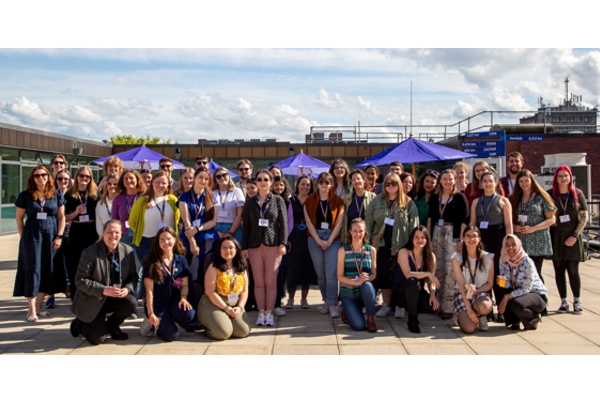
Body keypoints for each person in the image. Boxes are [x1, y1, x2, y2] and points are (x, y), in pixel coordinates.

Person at [69, 220, 140, 345]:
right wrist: (102, 290)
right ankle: (78, 324)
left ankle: (112, 326)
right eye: (110, 232)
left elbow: (133, 277)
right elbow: (80, 280)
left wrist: (127, 289)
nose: (113, 235)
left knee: (131, 303)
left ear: (121, 233)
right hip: (93, 299)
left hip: (115, 297)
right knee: (97, 339)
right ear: (103, 233)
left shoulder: (128, 251)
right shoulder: (89, 253)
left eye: (116, 232)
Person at [14, 166, 66, 322]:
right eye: (37, 175)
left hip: (51, 235)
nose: (40, 177)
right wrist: (24, 237)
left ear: (48, 176)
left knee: (47, 269)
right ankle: (31, 310)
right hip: (32, 236)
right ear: (32, 178)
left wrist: (59, 236)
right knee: (32, 269)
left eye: (43, 174)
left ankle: (39, 307)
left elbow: (62, 217)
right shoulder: (26, 196)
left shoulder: (56, 194)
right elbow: (19, 218)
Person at [366, 172, 419, 318]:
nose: (390, 186)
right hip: (382, 244)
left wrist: (412, 247)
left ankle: (400, 305)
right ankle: (386, 305)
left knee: (400, 275)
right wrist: (369, 242)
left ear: (399, 185)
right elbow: (368, 222)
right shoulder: (376, 201)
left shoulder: (408, 203)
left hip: (401, 245)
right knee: (384, 275)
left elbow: (414, 226)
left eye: (394, 184)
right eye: (387, 184)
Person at [242, 169, 288, 326]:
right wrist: (244, 247)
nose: (262, 182)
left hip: (273, 244)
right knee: (258, 281)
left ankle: (270, 313)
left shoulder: (277, 200)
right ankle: (261, 313)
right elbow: (246, 226)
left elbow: (283, 224)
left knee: (271, 281)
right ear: (256, 182)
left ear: (270, 182)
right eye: (259, 179)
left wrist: (283, 243)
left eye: (266, 179)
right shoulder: (249, 202)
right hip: (254, 246)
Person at [140, 227, 199, 341]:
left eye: (168, 239)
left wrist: (183, 298)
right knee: (172, 336)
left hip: (173, 301)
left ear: (175, 240)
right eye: (162, 240)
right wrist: (151, 312)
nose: (166, 242)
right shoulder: (152, 263)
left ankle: (168, 319)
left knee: (189, 314)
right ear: (157, 242)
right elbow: (149, 291)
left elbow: (184, 284)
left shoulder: (181, 260)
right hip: (158, 304)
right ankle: (150, 322)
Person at [469, 171, 513, 322]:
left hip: (498, 238)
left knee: (499, 276)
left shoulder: (503, 201)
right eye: (484, 181)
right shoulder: (476, 202)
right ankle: (486, 309)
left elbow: (508, 224)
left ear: (496, 183)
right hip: (482, 240)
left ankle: (502, 310)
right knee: (483, 274)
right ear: (480, 184)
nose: (487, 183)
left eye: (490, 180)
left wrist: (508, 245)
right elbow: (473, 224)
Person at [428, 169, 469, 320]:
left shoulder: (460, 198)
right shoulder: (435, 197)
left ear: (454, 180)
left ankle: (449, 307)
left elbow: (465, 220)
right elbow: (431, 218)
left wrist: (461, 240)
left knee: (450, 269)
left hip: (453, 233)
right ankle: (437, 302)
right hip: (437, 233)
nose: (447, 181)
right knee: (437, 268)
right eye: (444, 179)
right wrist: (429, 237)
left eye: (450, 179)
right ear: (440, 181)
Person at [304, 172, 345, 318]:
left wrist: (330, 240)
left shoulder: (338, 201)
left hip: (332, 238)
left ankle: (333, 303)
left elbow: (339, 222)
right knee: (321, 274)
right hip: (315, 238)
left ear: (331, 184)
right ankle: (326, 301)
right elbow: (308, 223)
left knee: (331, 273)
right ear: (317, 184)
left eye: (327, 182)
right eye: (321, 182)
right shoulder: (309, 200)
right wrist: (319, 240)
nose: (323, 185)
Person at [549, 166, 588, 313]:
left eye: (566, 176)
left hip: (572, 236)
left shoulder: (577, 194)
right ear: (556, 178)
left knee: (573, 270)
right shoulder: (551, 194)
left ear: (570, 177)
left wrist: (575, 235)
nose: (563, 178)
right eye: (560, 176)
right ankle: (563, 301)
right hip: (556, 236)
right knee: (559, 270)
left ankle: (577, 301)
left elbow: (584, 217)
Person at [198, 236, 251, 340]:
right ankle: (210, 324)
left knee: (243, 331)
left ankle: (224, 321)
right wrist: (226, 309)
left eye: (231, 247)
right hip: (213, 303)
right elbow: (210, 292)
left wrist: (240, 307)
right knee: (223, 333)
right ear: (219, 250)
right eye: (224, 248)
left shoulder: (241, 267)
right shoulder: (214, 266)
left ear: (236, 249)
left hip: (234, 304)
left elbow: (245, 290)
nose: (228, 250)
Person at [510, 169, 556, 289]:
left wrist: (534, 228)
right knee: (522, 273)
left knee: (535, 272)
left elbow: (552, 219)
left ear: (532, 181)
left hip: (537, 240)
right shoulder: (515, 198)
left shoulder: (541, 197)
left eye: (526, 180)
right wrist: (515, 227)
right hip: (521, 241)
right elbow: (510, 219)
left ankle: (541, 298)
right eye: (521, 181)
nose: (524, 184)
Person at [392, 226, 440, 333]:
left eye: (423, 237)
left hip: (417, 292)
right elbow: (408, 274)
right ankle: (412, 319)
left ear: (427, 240)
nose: (419, 240)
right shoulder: (404, 252)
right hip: (401, 292)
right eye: (416, 237)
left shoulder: (430, 256)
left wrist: (432, 295)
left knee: (431, 307)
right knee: (412, 281)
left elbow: (431, 281)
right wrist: (427, 273)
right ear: (412, 239)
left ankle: (412, 307)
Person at [497, 234, 549, 331]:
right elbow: (508, 283)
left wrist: (507, 297)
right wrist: (502, 282)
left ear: (519, 245)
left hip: (535, 295)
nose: (510, 248)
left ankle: (534, 318)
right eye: (507, 245)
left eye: (513, 244)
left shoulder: (527, 262)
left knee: (515, 303)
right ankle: (515, 321)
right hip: (519, 292)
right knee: (500, 291)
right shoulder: (504, 260)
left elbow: (527, 288)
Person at [128, 171, 180, 263]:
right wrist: (142, 231)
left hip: (167, 242)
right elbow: (132, 222)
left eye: (164, 183)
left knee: (166, 271)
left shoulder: (173, 200)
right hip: (146, 242)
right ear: (152, 183)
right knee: (149, 272)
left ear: (168, 185)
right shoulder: (142, 201)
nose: (160, 185)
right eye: (157, 182)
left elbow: (177, 219)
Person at [64, 166, 99, 301]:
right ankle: (75, 296)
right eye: (81, 176)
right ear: (76, 177)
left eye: (87, 177)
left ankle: (91, 294)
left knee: (92, 264)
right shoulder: (69, 195)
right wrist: (75, 213)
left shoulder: (96, 195)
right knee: (75, 264)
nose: (84, 179)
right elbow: (64, 218)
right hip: (76, 231)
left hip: (91, 231)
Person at [337, 218, 378, 332]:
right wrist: (355, 282)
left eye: (360, 231)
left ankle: (370, 318)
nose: (358, 234)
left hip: (363, 292)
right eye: (355, 231)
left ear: (365, 232)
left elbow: (374, 273)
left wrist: (369, 278)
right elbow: (339, 276)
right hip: (349, 293)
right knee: (359, 326)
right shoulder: (343, 250)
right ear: (350, 231)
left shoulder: (371, 250)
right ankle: (347, 309)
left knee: (368, 285)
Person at [451, 226, 494, 333]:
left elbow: (490, 283)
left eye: (474, 236)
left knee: (485, 306)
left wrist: (477, 291)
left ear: (479, 239)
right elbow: (461, 284)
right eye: (468, 236)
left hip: (479, 293)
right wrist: (469, 310)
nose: (471, 239)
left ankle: (481, 316)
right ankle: (463, 314)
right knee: (469, 329)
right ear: (463, 238)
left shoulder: (488, 257)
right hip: (463, 293)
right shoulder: (457, 258)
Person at [285, 175, 318, 309]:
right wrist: (286, 239)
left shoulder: (313, 200)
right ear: (297, 185)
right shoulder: (290, 201)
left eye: (308, 185)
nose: (305, 187)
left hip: (309, 235)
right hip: (294, 235)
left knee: (307, 267)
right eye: (303, 184)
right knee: (292, 268)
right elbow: (286, 221)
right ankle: (291, 299)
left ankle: (304, 299)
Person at [179, 167, 218, 265]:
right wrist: (193, 243)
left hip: (207, 236)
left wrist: (198, 229)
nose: (203, 181)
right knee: (188, 269)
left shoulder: (212, 197)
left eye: (206, 179)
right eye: (200, 177)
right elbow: (186, 221)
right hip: (189, 237)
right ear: (195, 178)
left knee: (207, 267)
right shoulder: (185, 196)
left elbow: (213, 221)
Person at [271, 175, 294, 317]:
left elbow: (289, 222)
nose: (279, 187)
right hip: (268, 241)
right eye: (276, 185)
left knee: (280, 274)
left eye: (281, 185)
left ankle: (277, 302)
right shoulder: (267, 200)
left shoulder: (287, 202)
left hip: (282, 242)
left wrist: (283, 240)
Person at [111, 169, 147, 247]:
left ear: (137, 179)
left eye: (131, 178)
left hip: (143, 235)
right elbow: (114, 220)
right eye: (125, 178)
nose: (128, 180)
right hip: (124, 236)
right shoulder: (118, 199)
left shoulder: (144, 197)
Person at [341, 169, 376, 244]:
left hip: (367, 238)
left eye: (358, 179)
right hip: (350, 238)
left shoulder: (373, 197)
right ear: (351, 183)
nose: (356, 181)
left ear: (364, 180)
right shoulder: (346, 198)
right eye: (353, 180)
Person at [212, 166, 245, 244]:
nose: (222, 178)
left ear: (229, 176)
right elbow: (208, 215)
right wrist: (216, 231)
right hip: (215, 228)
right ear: (215, 179)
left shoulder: (237, 191)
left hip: (234, 227)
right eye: (218, 176)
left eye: (224, 175)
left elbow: (240, 214)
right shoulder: (212, 193)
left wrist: (231, 232)